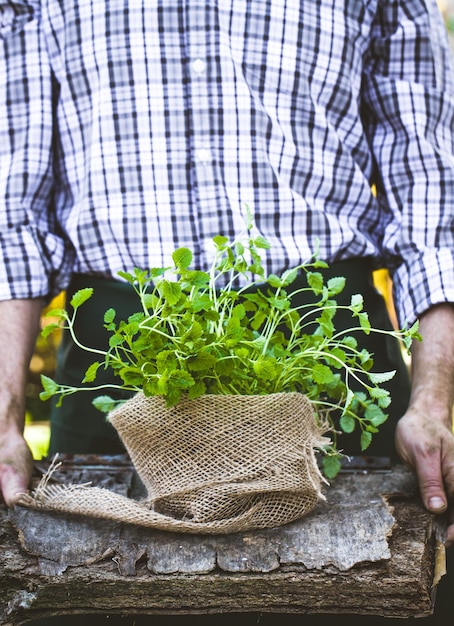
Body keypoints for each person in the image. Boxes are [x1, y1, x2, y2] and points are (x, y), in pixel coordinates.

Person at [0, 1, 453, 624]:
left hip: (326, 343)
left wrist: (431, 407)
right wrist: (5, 421)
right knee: (93, 599)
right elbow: (12, 219)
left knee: (359, 601)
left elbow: (433, 204)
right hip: (118, 356)